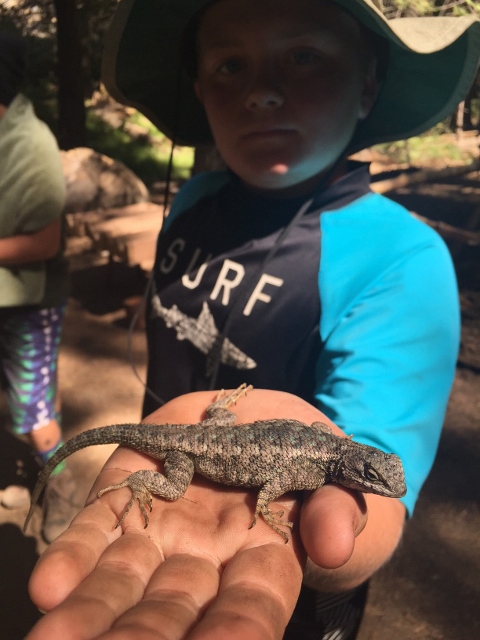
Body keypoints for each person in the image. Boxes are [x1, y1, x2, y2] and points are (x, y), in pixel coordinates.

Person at [25, 1, 480, 638]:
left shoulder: (403, 262)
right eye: (230, 64)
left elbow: (367, 499)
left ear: (367, 84)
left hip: (292, 602)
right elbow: (269, 491)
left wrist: (332, 533)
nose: (263, 92)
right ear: (197, 86)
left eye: (304, 56)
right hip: (183, 450)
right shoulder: (193, 200)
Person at [0, 31, 81, 543]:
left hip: (29, 304)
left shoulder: (30, 142)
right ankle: (35, 476)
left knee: (33, 408)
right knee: (19, 399)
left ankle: (63, 488)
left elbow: (45, 242)